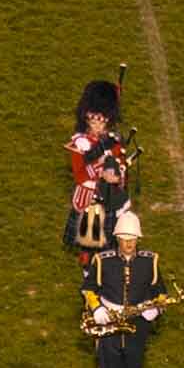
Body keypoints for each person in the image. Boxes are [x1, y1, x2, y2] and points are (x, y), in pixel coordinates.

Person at [81, 210, 165, 368]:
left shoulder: (150, 261)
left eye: (132, 239)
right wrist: (97, 308)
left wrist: (156, 309)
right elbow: (88, 289)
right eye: (124, 239)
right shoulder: (102, 261)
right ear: (117, 238)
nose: (129, 244)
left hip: (137, 325)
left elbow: (161, 293)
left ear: (138, 239)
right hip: (109, 323)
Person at [65, 79, 128, 263]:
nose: (99, 125)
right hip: (90, 197)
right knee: (90, 247)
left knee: (111, 243)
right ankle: (89, 275)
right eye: (95, 120)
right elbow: (80, 175)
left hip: (111, 197)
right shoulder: (80, 144)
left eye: (103, 120)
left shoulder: (113, 141)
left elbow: (121, 165)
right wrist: (100, 170)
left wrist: (119, 174)